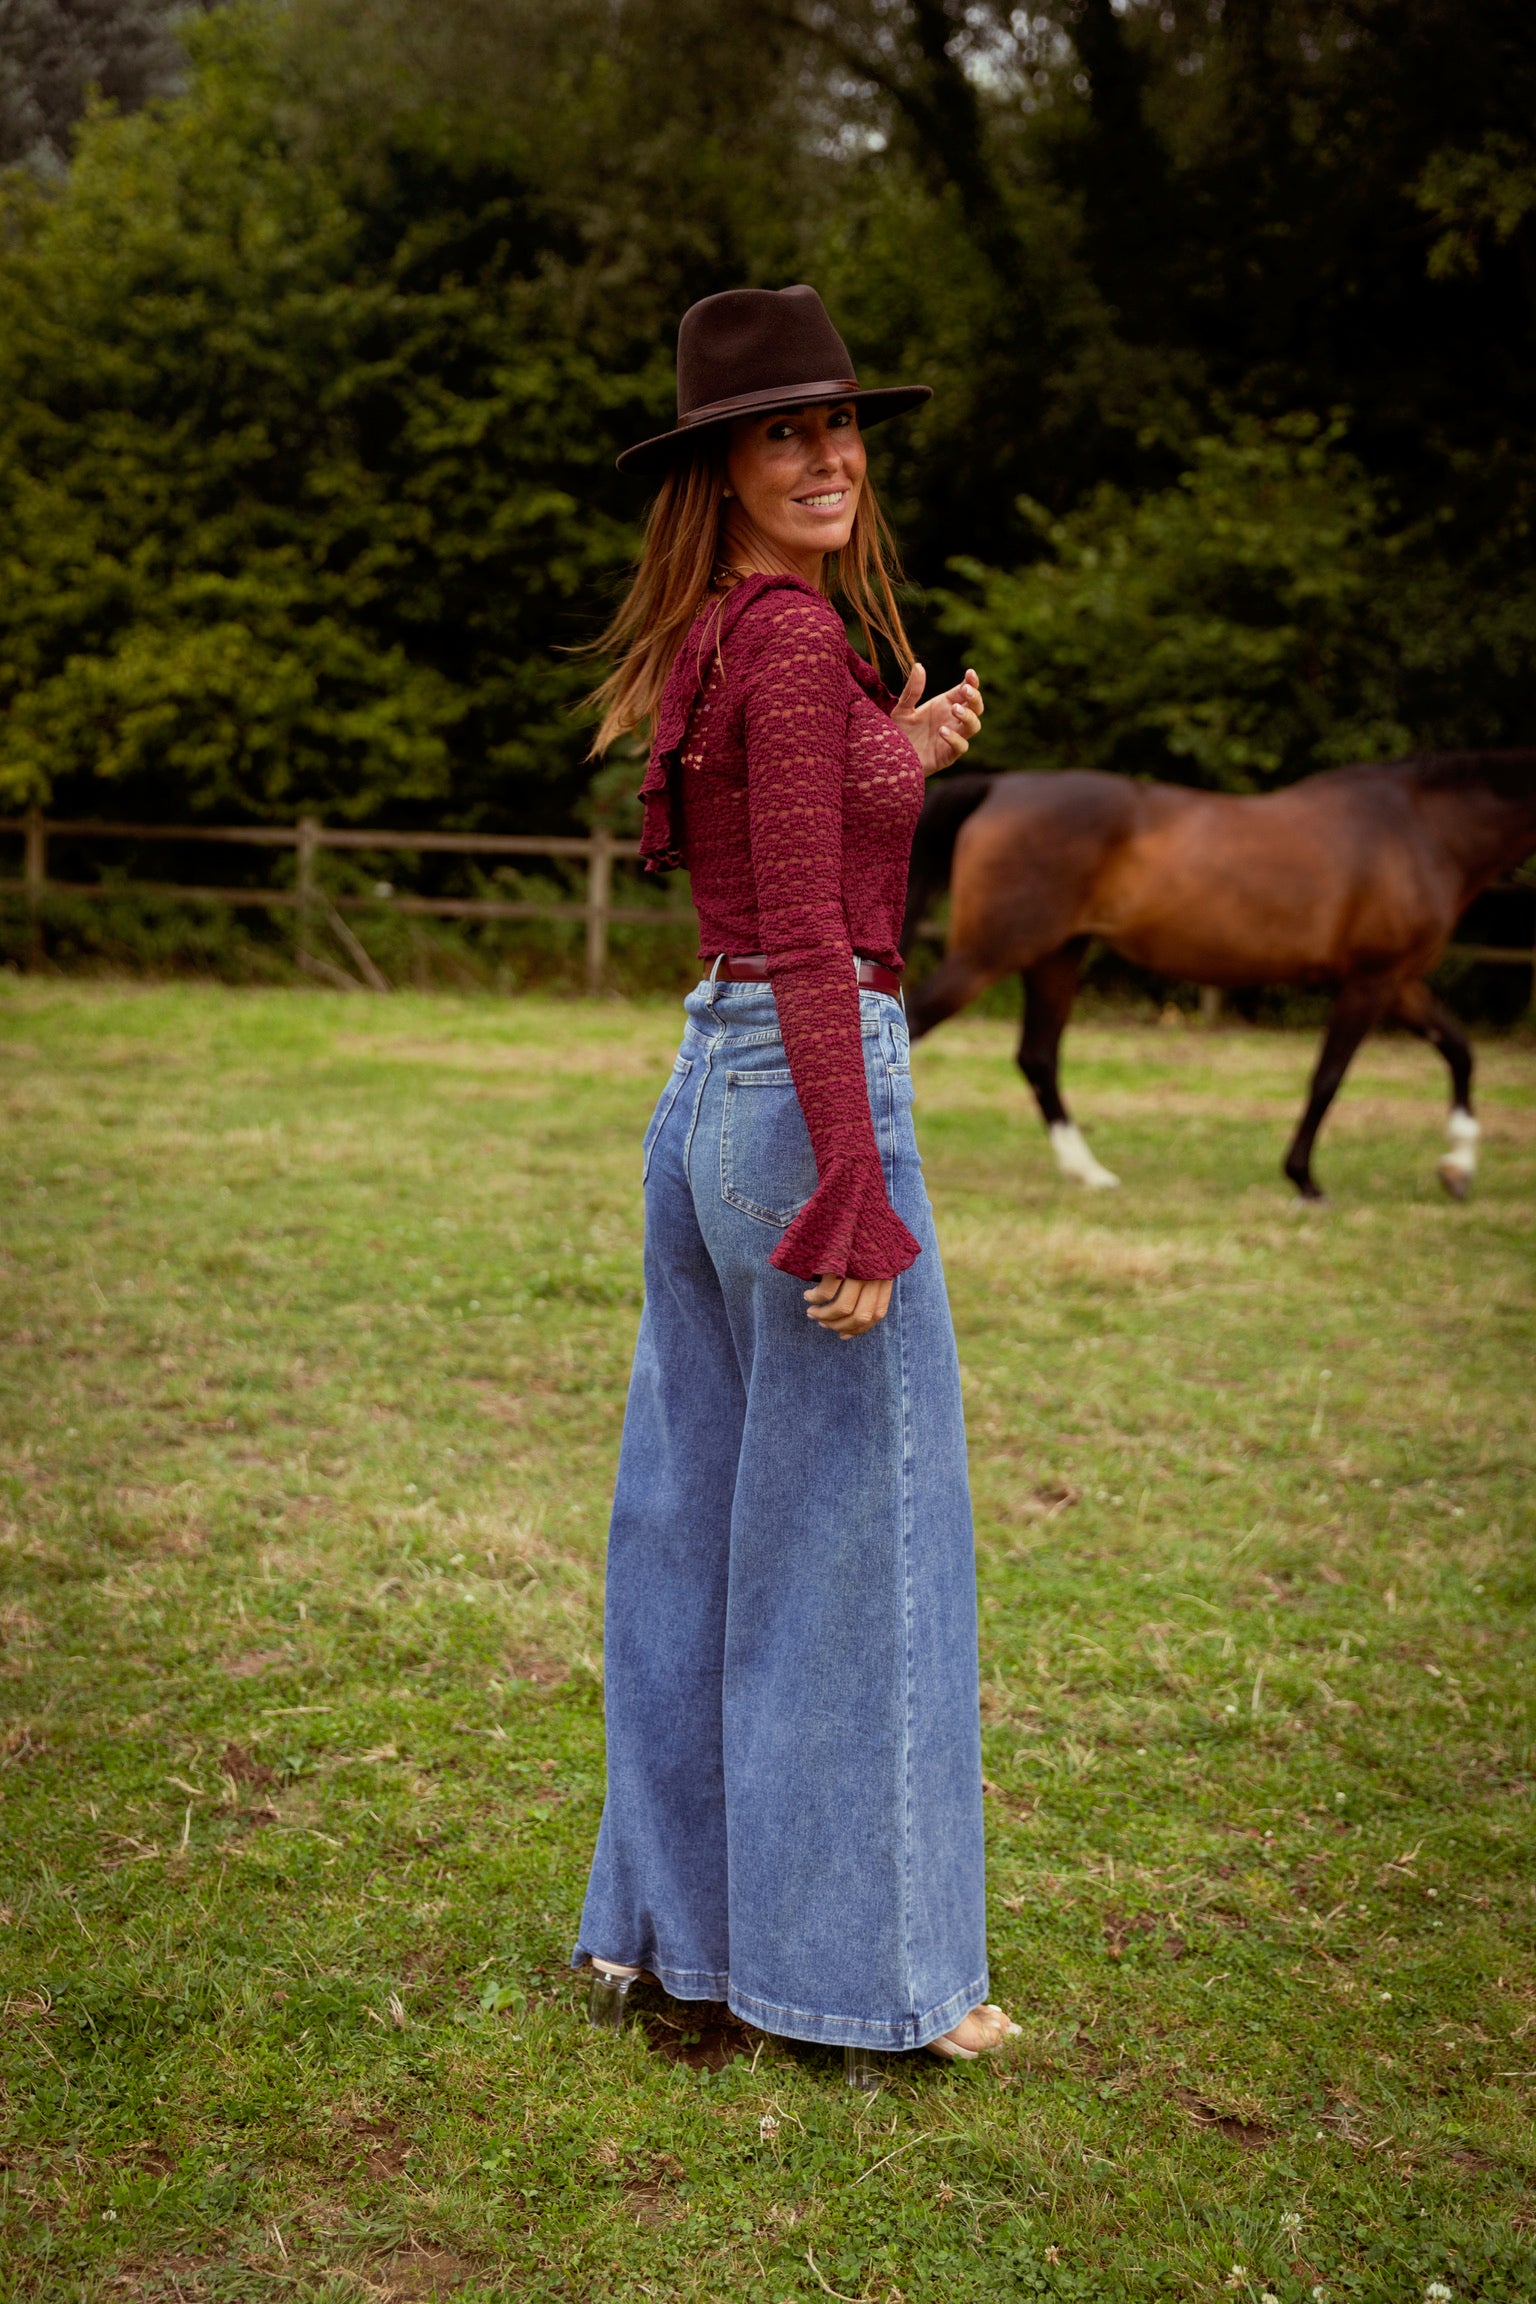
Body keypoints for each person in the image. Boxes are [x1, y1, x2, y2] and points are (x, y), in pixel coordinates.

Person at [574, 284, 1016, 2072]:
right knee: (857, 1552)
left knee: (689, 1531)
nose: (828, 456)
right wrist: (855, 1183)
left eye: (838, 424)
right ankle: (865, 1988)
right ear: (724, 469)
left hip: (713, 1086)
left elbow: (765, 859)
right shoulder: (784, 635)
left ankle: (680, 1950)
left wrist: (894, 754)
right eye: (785, 433)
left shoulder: (729, 635)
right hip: (800, 1086)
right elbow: (817, 945)